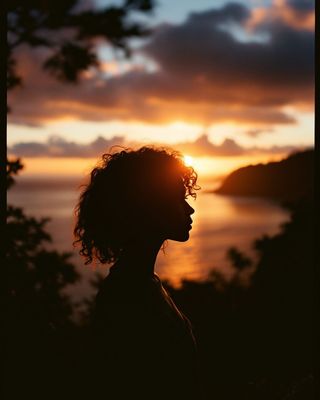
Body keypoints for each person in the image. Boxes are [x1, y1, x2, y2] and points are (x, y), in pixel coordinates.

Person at [74, 146, 202, 399]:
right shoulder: (127, 294)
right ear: (149, 206)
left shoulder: (140, 281)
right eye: (178, 198)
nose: (190, 210)